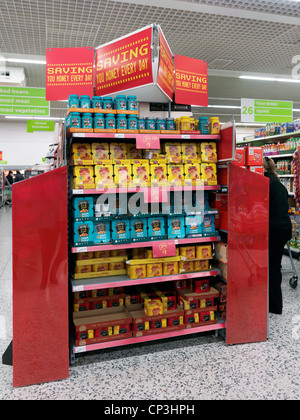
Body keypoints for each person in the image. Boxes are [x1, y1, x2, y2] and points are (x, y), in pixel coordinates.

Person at [263, 157, 292, 314]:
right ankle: (274, 305)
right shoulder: (278, 183)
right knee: (274, 266)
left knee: (270, 267)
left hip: (273, 229)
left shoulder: (263, 182)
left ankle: (273, 305)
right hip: (283, 228)